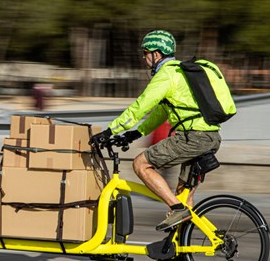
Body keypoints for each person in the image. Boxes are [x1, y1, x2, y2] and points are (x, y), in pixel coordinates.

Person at [91, 30, 226, 232]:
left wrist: (110, 131)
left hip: (193, 138)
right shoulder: (179, 73)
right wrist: (136, 133)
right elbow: (162, 111)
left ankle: (177, 209)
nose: (144, 58)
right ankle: (181, 252)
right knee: (184, 195)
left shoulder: (166, 75)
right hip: (210, 137)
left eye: (146, 53)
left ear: (157, 54)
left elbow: (140, 106)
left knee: (140, 164)